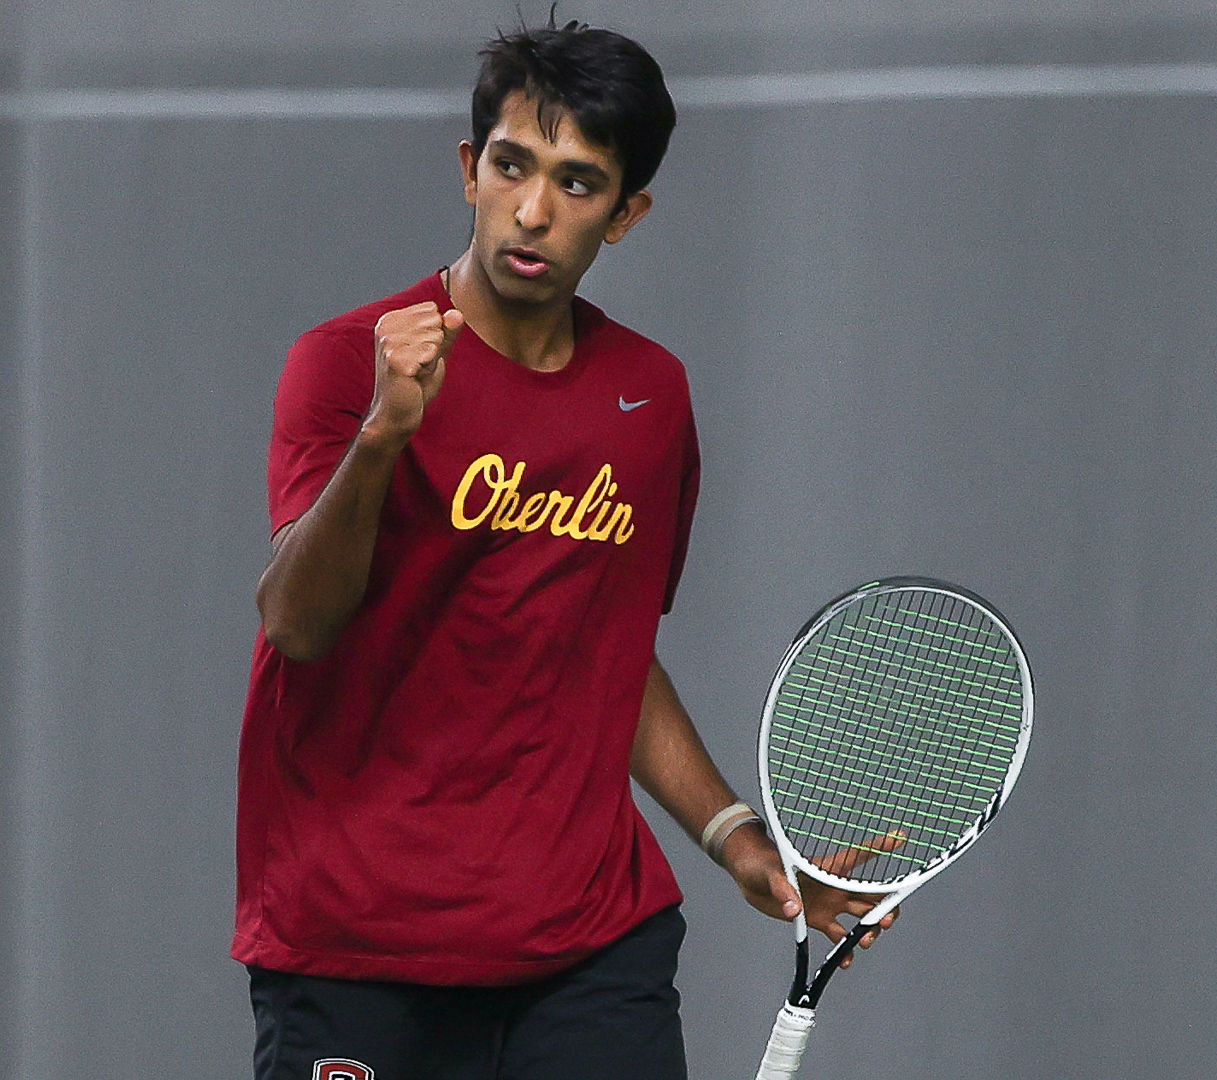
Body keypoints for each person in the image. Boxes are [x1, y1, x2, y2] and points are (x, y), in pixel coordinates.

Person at [235, 19, 894, 1079]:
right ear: (469, 169)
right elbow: (297, 625)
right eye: (512, 166)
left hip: (588, 948)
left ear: (627, 214)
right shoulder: (342, 363)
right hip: (357, 948)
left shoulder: (649, 396)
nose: (533, 210)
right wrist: (382, 439)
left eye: (579, 183)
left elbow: (605, 651)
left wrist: (734, 838)